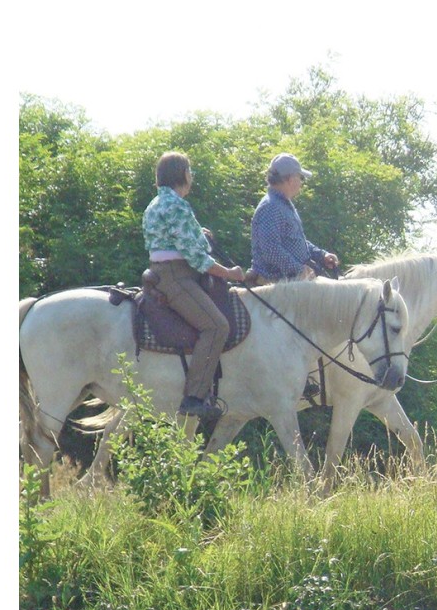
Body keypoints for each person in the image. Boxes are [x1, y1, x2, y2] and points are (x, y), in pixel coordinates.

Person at [142, 151, 246, 418]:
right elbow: (197, 258)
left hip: (161, 271)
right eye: (190, 172)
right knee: (216, 326)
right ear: (183, 175)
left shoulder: (155, 204)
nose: (192, 177)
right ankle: (194, 398)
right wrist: (230, 273)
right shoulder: (177, 206)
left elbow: (177, 239)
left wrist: (200, 233)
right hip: (177, 277)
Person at [250, 153, 339, 281]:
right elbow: (270, 249)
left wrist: (322, 255)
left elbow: (295, 241)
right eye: (300, 178)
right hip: (277, 283)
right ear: (290, 179)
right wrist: (299, 269)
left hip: (292, 280)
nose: (302, 183)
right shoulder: (270, 207)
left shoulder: (281, 204)